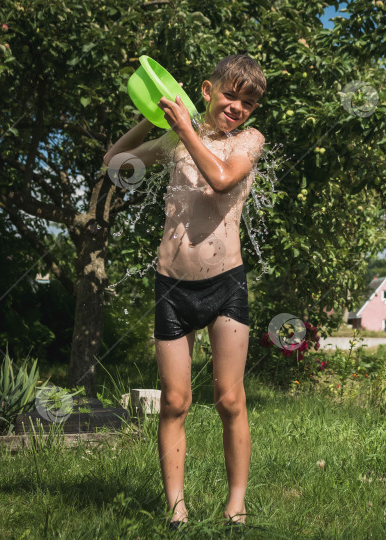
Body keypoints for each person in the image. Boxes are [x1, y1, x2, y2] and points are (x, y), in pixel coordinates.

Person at [103, 54, 266, 530]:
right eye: (230, 94)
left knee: (229, 399)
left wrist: (184, 129)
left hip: (225, 285)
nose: (237, 107)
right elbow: (114, 162)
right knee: (175, 401)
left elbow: (220, 180)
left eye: (248, 102)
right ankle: (176, 508)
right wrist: (151, 116)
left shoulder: (248, 142)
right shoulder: (176, 137)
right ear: (207, 90)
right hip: (171, 284)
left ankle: (236, 506)